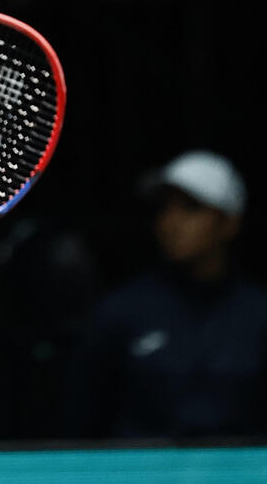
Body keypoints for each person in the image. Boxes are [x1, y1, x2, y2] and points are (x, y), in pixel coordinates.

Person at [67, 150, 267, 440]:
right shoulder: (120, 312)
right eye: (165, 208)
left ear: (228, 223)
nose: (171, 222)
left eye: (191, 207)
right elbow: (83, 424)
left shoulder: (259, 316)